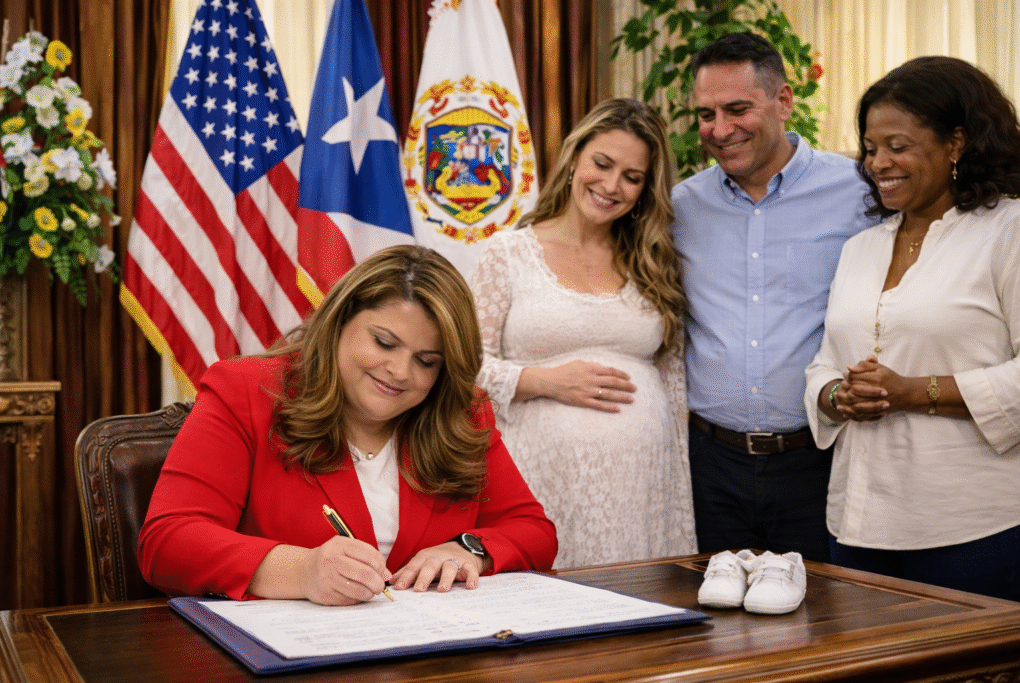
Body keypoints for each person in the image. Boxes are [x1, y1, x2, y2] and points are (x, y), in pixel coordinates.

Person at [138, 246, 557, 604]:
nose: (399, 371)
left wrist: (470, 550)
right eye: (384, 343)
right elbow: (168, 541)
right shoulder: (245, 392)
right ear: (340, 321)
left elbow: (534, 531)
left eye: (426, 361)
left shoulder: (461, 411)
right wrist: (301, 571)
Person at [804, 56, 1020, 602]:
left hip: (978, 529)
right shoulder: (862, 247)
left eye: (897, 147)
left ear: (956, 143)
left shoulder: (1010, 231)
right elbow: (825, 363)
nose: (879, 163)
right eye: (871, 148)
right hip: (858, 525)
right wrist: (838, 395)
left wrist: (915, 391)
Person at [671, 32, 876, 563]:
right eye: (705, 114)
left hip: (818, 457)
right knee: (718, 629)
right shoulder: (680, 206)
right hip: (709, 465)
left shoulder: (860, 192)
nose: (720, 130)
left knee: (823, 623)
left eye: (737, 109)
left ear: (783, 101)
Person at [470, 98, 695, 568]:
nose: (612, 185)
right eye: (602, 163)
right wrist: (544, 381)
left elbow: (674, 386)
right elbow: (465, 368)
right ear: (574, 159)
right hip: (539, 479)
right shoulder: (508, 253)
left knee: (640, 617)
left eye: (632, 177)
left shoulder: (654, 261)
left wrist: (679, 500)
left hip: (643, 487)